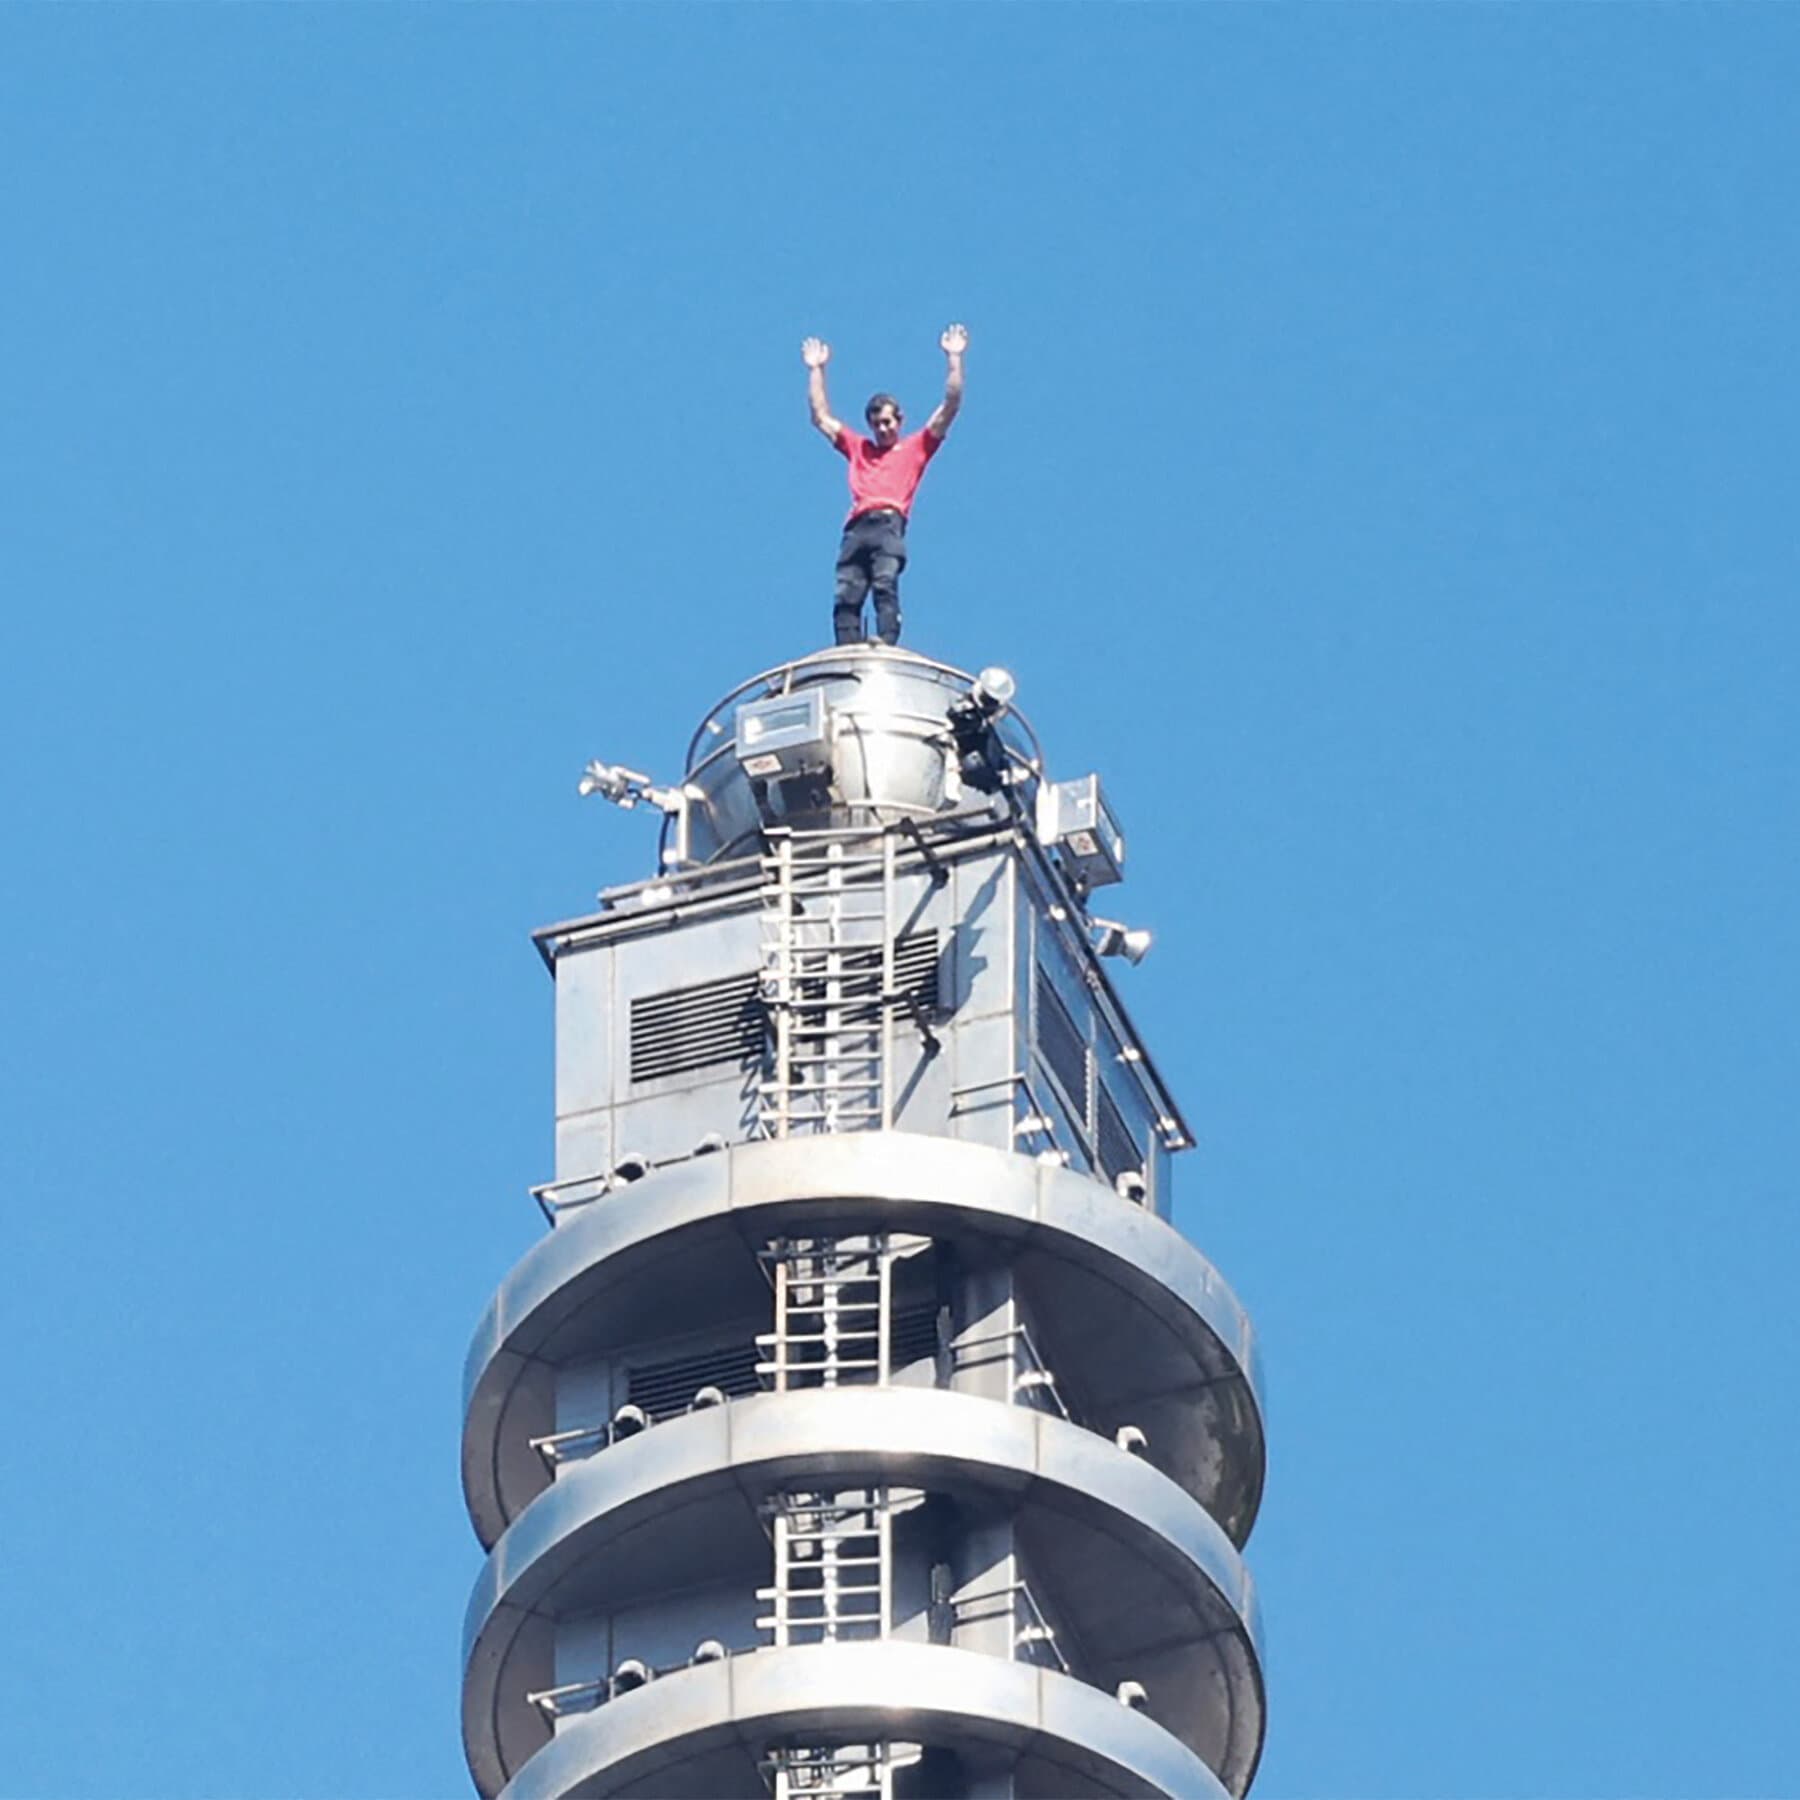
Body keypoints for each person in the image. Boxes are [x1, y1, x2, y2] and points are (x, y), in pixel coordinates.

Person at [802, 324, 968, 647]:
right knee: (846, 594)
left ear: (900, 421)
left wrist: (954, 357)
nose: (883, 429)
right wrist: (816, 370)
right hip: (856, 527)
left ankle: (887, 640)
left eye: (888, 422)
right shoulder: (859, 447)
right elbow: (820, 417)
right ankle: (846, 652)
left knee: (884, 583)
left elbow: (951, 404)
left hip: (888, 523)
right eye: (877, 424)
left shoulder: (916, 447)